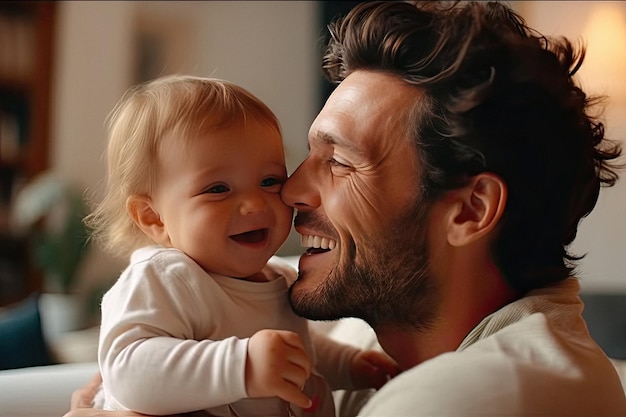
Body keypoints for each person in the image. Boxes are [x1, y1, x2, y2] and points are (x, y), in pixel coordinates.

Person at [66, 1, 626, 416]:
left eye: (339, 162)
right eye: (306, 157)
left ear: (469, 210)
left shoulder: (483, 397)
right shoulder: (382, 330)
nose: (286, 192)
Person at [80, 75, 397, 417]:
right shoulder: (166, 278)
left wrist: (349, 365)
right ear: (153, 217)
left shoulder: (279, 278)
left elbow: (295, 348)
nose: (255, 205)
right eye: (218, 189)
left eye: (269, 181)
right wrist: (241, 367)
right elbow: (128, 373)